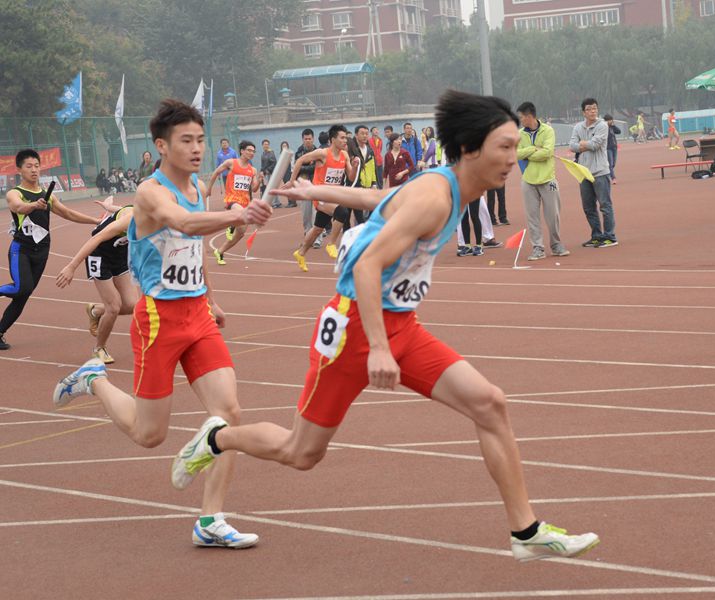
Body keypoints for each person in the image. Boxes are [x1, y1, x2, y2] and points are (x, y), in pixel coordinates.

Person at [171, 89, 600, 562]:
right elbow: (366, 265)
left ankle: (526, 531)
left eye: (515, 145)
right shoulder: (435, 198)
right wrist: (377, 347)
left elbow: (379, 198)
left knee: (490, 404)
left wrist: (315, 191)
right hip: (353, 328)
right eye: (504, 146)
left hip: (400, 325)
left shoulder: (444, 186)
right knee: (301, 452)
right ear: (469, 149)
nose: (512, 157)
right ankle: (216, 438)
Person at [53, 99, 270, 548]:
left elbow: (193, 249)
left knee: (227, 414)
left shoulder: (199, 188)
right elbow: (184, 224)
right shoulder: (151, 192)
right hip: (158, 320)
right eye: (186, 141)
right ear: (162, 146)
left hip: (197, 316)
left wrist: (211, 298)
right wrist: (238, 214)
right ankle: (93, 380)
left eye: (200, 140)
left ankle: (210, 520)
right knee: (150, 434)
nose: (196, 148)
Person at [0, 149, 101, 351]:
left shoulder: (48, 196)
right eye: (29, 166)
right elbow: (18, 207)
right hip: (21, 250)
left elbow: (68, 213)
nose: (34, 170)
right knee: (22, 288)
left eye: (37, 166)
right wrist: (34, 205)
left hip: (42, 251)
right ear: (19, 170)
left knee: (23, 296)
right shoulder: (15, 193)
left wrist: (95, 221)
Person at [55, 197, 138, 364]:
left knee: (132, 305)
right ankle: (99, 348)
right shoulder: (131, 219)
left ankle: (96, 310)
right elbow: (95, 239)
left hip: (119, 254)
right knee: (113, 307)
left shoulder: (154, 218)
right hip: (99, 254)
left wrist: (109, 207)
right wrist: (71, 267)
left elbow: (121, 208)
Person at [288, 124, 359, 272]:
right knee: (342, 211)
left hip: (332, 196)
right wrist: (291, 180)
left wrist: (354, 166)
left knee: (317, 229)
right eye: (342, 138)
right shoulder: (322, 154)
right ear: (333, 139)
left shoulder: (345, 155)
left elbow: (351, 177)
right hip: (320, 195)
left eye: (346, 138)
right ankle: (331, 244)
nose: (345, 140)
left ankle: (300, 253)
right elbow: (300, 161)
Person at [516, 101, 569, 261]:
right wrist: (533, 149)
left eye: (521, 117)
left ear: (529, 116)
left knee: (553, 215)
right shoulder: (519, 134)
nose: (520, 120)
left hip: (548, 179)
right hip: (528, 180)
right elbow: (515, 153)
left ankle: (556, 244)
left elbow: (547, 153)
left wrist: (527, 154)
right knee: (532, 217)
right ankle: (537, 247)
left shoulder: (548, 130)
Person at [569, 98, 618, 248]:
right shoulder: (578, 127)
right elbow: (571, 146)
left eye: (595, 108)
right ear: (583, 112)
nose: (592, 111)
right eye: (589, 109)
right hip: (584, 172)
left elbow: (595, 145)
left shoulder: (602, 125)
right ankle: (596, 236)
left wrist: (582, 143)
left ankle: (609, 236)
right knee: (588, 207)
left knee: (605, 205)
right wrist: (585, 145)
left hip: (600, 171)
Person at [206, 140, 260, 265]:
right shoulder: (231, 163)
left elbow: (254, 189)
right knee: (240, 213)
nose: (251, 153)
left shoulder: (253, 170)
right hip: (232, 199)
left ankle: (220, 251)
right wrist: (209, 189)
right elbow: (216, 172)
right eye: (249, 150)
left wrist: (259, 180)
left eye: (253, 151)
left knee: (241, 233)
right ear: (242, 151)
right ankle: (231, 225)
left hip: (245, 201)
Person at [295, 129, 317, 235]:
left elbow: (316, 168)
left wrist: (303, 166)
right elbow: (296, 168)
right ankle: (307, 231)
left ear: (313, 139)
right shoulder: (299, 153)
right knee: (306, 212)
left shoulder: (318, 152)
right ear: (302, 139)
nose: (308, 141)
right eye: (306, 139)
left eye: (309, 138)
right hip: (303, 185)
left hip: (315, 184)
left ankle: (317, 234)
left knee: (316, 211)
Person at [260, 139, 279, 208]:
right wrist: (261, 171)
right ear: (262, 145)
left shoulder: (271, 153)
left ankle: (276, 203)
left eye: (267, 144)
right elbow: (263, 164)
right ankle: (272, 202)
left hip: (270, 173)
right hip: (265, 173)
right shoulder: (263, 154)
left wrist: (268, 170)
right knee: (267, 188)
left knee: (272, 187)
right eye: (265, 144)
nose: (266, 145)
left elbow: (274, 163)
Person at [604, 114, 621, 184]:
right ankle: (613, 178)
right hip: (608, 148)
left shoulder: (612, 127)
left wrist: (613, 126)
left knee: (613, 164)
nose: (611, 121)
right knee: (610, 164)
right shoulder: (603, 128)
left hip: (614, 147)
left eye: (611, 120)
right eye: (609, 120)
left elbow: (619, 131)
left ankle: (607, 173)